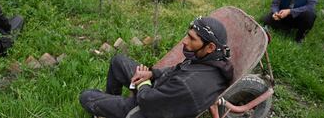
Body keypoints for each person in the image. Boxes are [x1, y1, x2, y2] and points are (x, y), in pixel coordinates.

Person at [80, 16, 233, 118]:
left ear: (210, 47)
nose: (185, 41)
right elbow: (176, 69)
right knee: (118, 61)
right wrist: (152, 74)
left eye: (192, 38)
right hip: (162, 93)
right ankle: (111, 103)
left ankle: (112, 108)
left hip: (149, 108)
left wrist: (143, 84)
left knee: (87, 97)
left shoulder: (189, 84)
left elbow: (147, 100)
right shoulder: (209, 60)